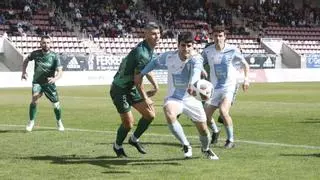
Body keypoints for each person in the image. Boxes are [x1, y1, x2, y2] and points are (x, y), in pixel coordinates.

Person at [135, 32, 219, 160]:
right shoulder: (169, 56)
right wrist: (142, 74)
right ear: (178, 45)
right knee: (169, 111)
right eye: (183, 45)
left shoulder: (196, 58)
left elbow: (196, 71)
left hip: (191, 99)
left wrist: (192, 84)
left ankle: (206, 149)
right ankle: (186, 145)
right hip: (174, 98)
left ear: (193, 46)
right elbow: (154, 63)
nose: (186, 48)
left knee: (203, 130)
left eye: (189, 46)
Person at [110, 22, 161, 158]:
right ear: (146, 34)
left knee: (150, 115)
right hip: (120, 89)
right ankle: (118, 146)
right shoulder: (142, 53)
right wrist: (146, 98)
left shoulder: (149, 50)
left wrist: (156, 86)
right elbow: (138, 81)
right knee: (128, 123)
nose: (157, 36)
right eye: (153, 34)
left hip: (131, 88)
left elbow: (147, 70)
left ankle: (134, 139)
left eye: (158, 33)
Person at [201, 26, 250, 148]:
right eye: (216, 36)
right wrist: (201, 70)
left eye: (220, 35)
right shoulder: (208, 51)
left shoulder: (232, 50)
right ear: (212, 37)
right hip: (214, 88)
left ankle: (230, 140)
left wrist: (246, 79)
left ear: (225, 37)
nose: (218, 38)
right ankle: (216, 131)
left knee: (223, 111)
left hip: (229, 86)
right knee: (204, 117)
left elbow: (245, 64)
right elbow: (198, 62)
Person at [21, 35, 64, 132]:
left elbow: (60, 71)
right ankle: (31, 122)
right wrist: (23, 72)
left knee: (56, 105)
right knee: (34, 99)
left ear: (51, 44)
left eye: (48, 42)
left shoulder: (54, 56)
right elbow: (26, 61)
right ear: (40, 43)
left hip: (49, 84)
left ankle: (59, 121)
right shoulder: (35, 54)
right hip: (37, 82)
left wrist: (55, 78)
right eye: (44, 42)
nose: (46, 44)